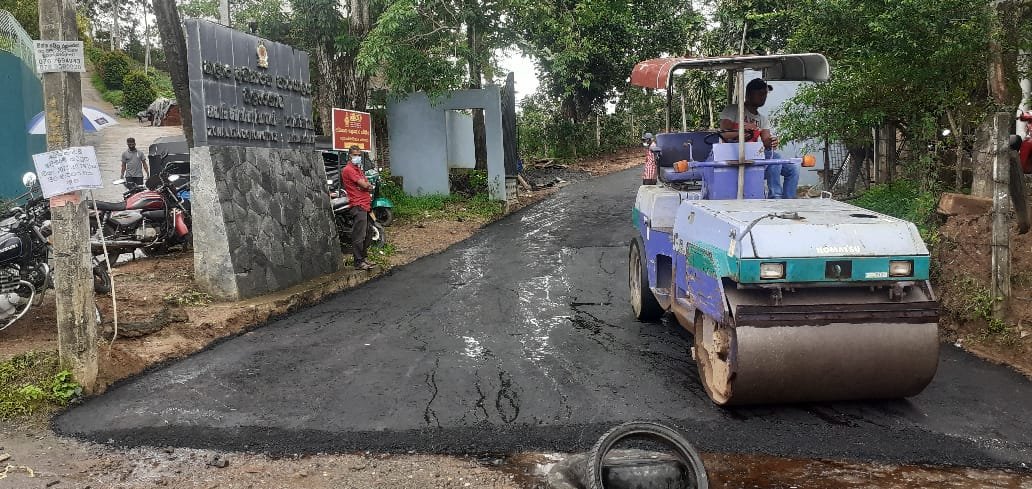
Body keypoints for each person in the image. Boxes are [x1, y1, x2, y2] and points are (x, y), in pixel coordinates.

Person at [718, 78, 799, 198]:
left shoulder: (762, 119)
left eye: (765, 94)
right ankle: (775, 196)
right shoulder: (733, 109)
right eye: (760, 93)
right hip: (733, 153)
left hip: (754, 154)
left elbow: (766, 142)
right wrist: (743, 129)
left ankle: (788, 200)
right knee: (775, 158)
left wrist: (771, 141)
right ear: (749, 94)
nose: (763, 97)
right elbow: (724, 133)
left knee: (792, 168)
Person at [341, 145, 375, 270]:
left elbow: (367, 184)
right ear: (350, 156)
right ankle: (358, 261)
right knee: (359, 235)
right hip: (358, 204)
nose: (357, 157)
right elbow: (365, 185)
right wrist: (366, 185)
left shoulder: (358, 170)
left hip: (365, 205)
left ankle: (363, 258)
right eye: (355, 155)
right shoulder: (348, 170)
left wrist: (366, 185)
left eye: (359, 155)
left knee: (368, 232)